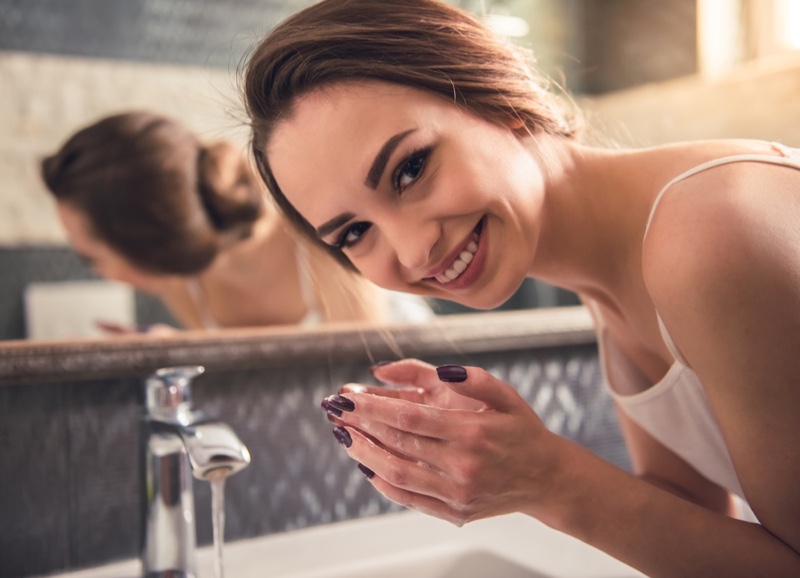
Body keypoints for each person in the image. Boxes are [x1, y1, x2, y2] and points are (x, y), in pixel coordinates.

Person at [241, 0, 800, 575]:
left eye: (410, 169)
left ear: (496, 98)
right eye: (356, 231)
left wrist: (549, 480)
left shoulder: (707, 239)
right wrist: (505, 460)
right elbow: (691, 505)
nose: (412, 252)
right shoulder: (610, 265)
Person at [41, 111, 433, 333]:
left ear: (149, 245)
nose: (103, 275)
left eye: (93, 258)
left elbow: (370, 384)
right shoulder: (183, 282)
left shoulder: (319, 240)